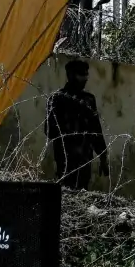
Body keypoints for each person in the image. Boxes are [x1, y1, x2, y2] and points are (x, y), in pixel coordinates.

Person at [44, 59, 110, 190]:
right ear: (70, 75)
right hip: (65, 157)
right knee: (67, 191)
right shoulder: (57, 98)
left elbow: (96, 130)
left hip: (85, 157)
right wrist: (69, 134)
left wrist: (103, 156)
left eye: (86, 75)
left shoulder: (88, 99)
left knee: (82, 190)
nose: (85, 79)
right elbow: (49, 130)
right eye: (81, 75)